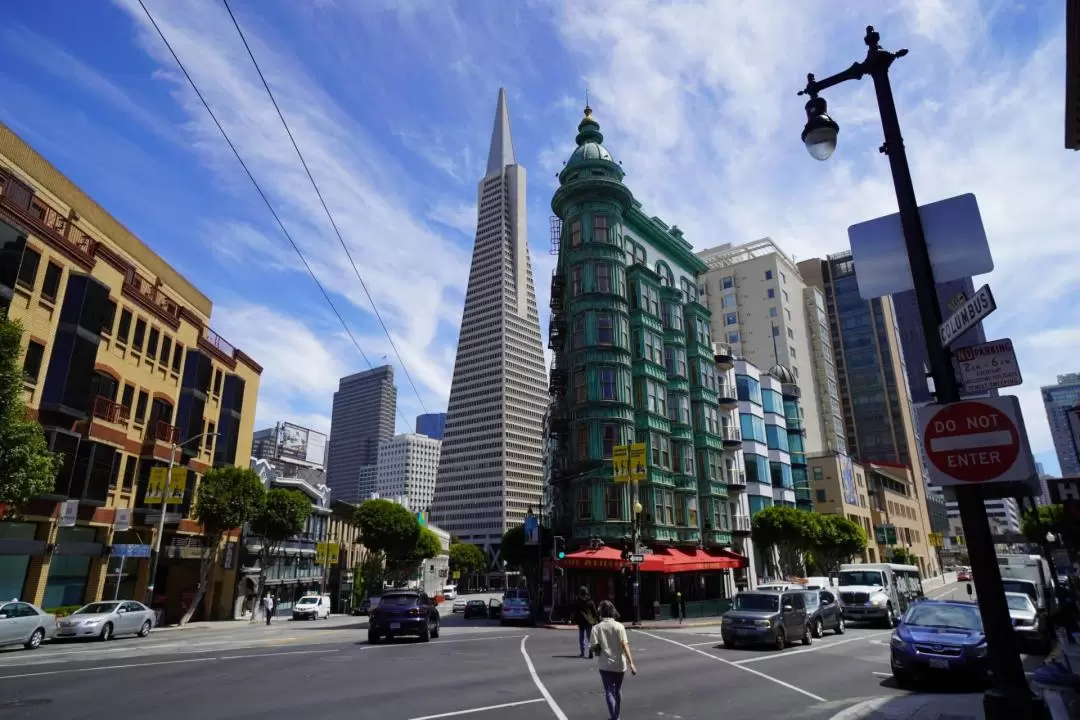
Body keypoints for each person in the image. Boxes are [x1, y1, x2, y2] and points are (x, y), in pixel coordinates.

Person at [590, 600, 636, 720]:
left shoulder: (596, 628)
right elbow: (625, 645)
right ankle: (616, 715)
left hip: (605, 665)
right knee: (618, 690)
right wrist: (631, 663)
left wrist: (598, 648)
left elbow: (594, 648)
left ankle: (615, 717)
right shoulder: (619, 627)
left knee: (609, 691)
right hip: (619, 664)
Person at [574, 587, 598, 658]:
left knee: (581, 637)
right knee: (589, 637)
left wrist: (575, 619)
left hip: (581, 621)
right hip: (589, 621)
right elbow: (594, 612)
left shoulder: (578, 601)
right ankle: (591, 652)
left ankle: (582, 652)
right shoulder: (590, 602)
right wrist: (597, 620)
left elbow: (576, 611)